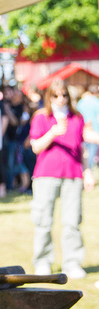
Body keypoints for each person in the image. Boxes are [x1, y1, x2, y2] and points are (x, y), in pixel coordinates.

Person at [29, 79, 98, 279]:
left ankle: (72, 262)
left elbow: (83, 146)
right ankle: (42, 261)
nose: (61, 99)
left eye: (64, 95)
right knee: (43, 220)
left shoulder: (77, 118)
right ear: (49, 97)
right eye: (56, 95)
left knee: (72, 222)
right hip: (46, 174)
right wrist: (52, 133)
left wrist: (87, 171)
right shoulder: (42, 117)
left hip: (73, 174)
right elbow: (35, 147)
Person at [76, 84, 99, 171]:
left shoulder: (81, 102)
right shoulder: (96, 102)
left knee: (83, 154)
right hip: (94, 132)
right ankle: (88, 172)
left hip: (82, 132)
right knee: (91, 158)